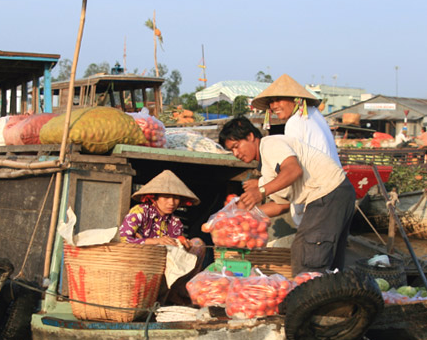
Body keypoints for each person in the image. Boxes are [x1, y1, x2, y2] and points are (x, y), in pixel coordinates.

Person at [218, 116, 356, 276]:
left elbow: (293, 170)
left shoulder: (270, 144)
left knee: (307, 255)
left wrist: (261, 191)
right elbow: (281, 205)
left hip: (328, 191)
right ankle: (332, 295)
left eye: (236, 146)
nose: (236, 153)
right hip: (335, 194)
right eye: (231, 150)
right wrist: (245, 216)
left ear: (250, 136)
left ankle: (311, 295)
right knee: (328, 261)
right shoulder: (268, 172)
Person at [251, 74, 341, 225]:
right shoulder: (315, 115)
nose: (274, 106)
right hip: (334, 191)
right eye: (271, 102)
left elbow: (293, 170)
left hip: (320, 197)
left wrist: (261, 186)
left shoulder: (295, 122)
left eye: (278, 99)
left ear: (296, 100)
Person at [119, 170, 205, 303]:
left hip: (166, 269)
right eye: (166, 197)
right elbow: (123, 239)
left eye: (176, 198)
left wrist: (183, 246)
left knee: (198, 244)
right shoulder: (140, 212)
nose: (171, 203)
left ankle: (179, 290)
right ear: (154, 197)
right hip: (140, 266)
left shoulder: (175, 223)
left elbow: (176, 253)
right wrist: (153, 241)